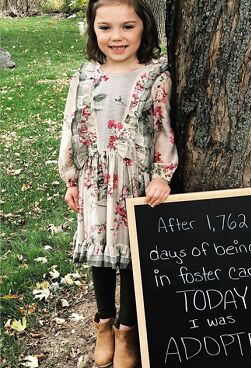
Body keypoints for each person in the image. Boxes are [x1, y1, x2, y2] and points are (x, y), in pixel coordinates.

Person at [58, 0, 178, 366]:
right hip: (95, 179)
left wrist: (162, 175)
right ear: (93, 30)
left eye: (127, 26)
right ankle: (104, 323)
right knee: (100, 253)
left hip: (134, 180)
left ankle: (127, 330)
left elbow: (163, 129)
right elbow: (73, 127)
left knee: (131, 257)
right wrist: (71, 178)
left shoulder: (155, 77)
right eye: (105, 27)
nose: (116, 36)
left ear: (144, 28)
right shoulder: (85, 76)